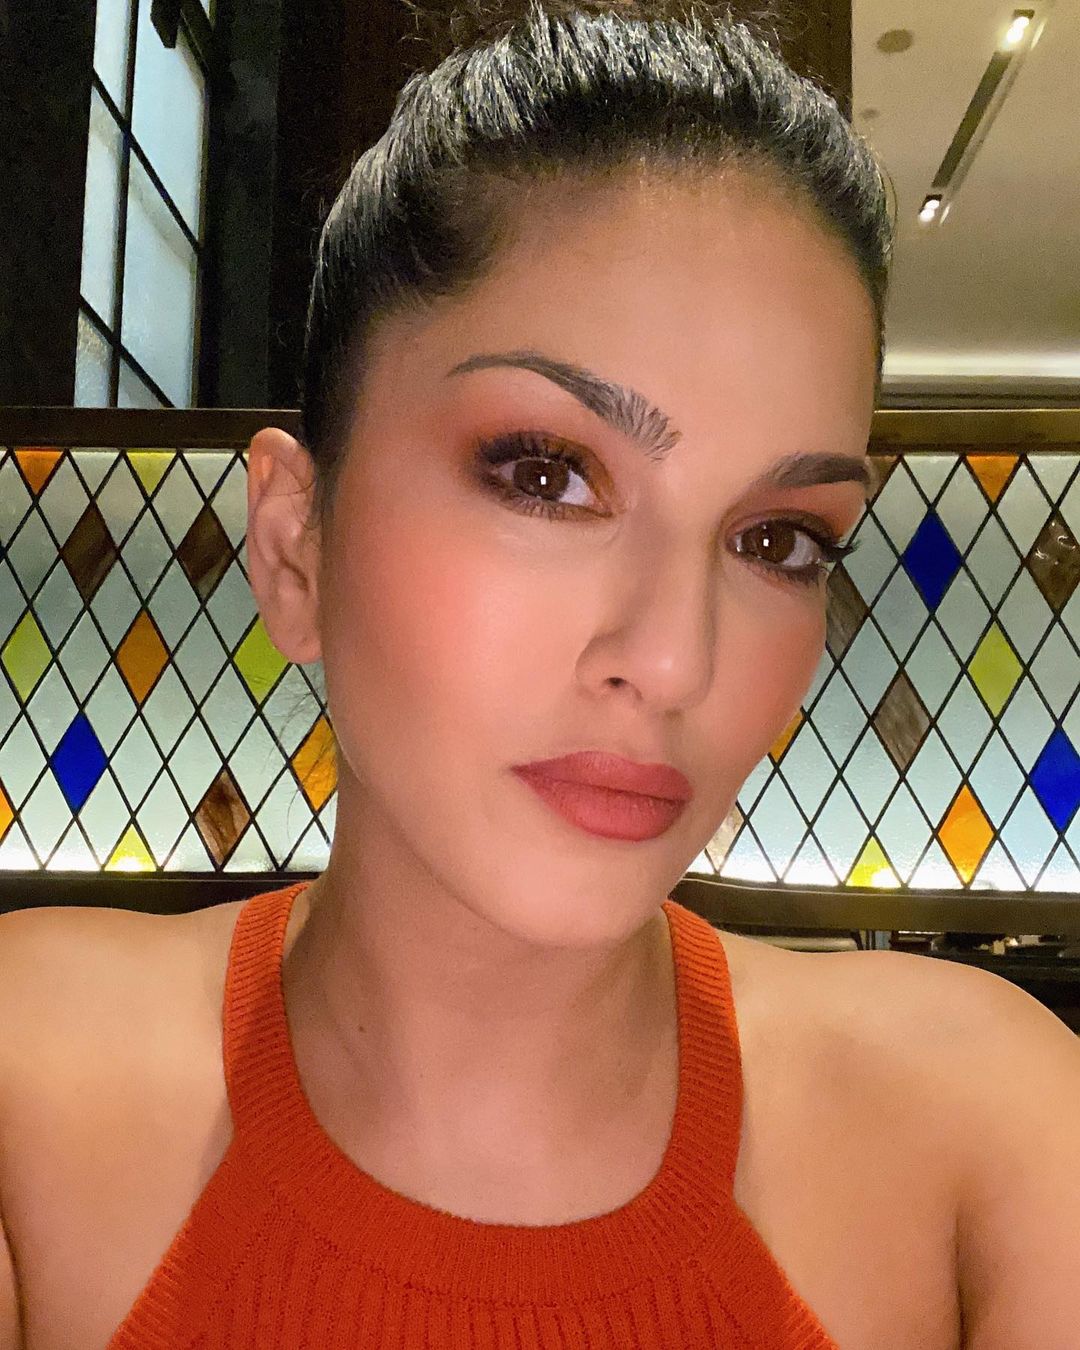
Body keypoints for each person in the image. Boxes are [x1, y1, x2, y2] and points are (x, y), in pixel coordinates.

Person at [2, 1, 1079, 1346]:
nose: (674, 659)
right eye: (546, 474)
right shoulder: (27, 1083)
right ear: (294, 545)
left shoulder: (997, 1133)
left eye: (778, 540)